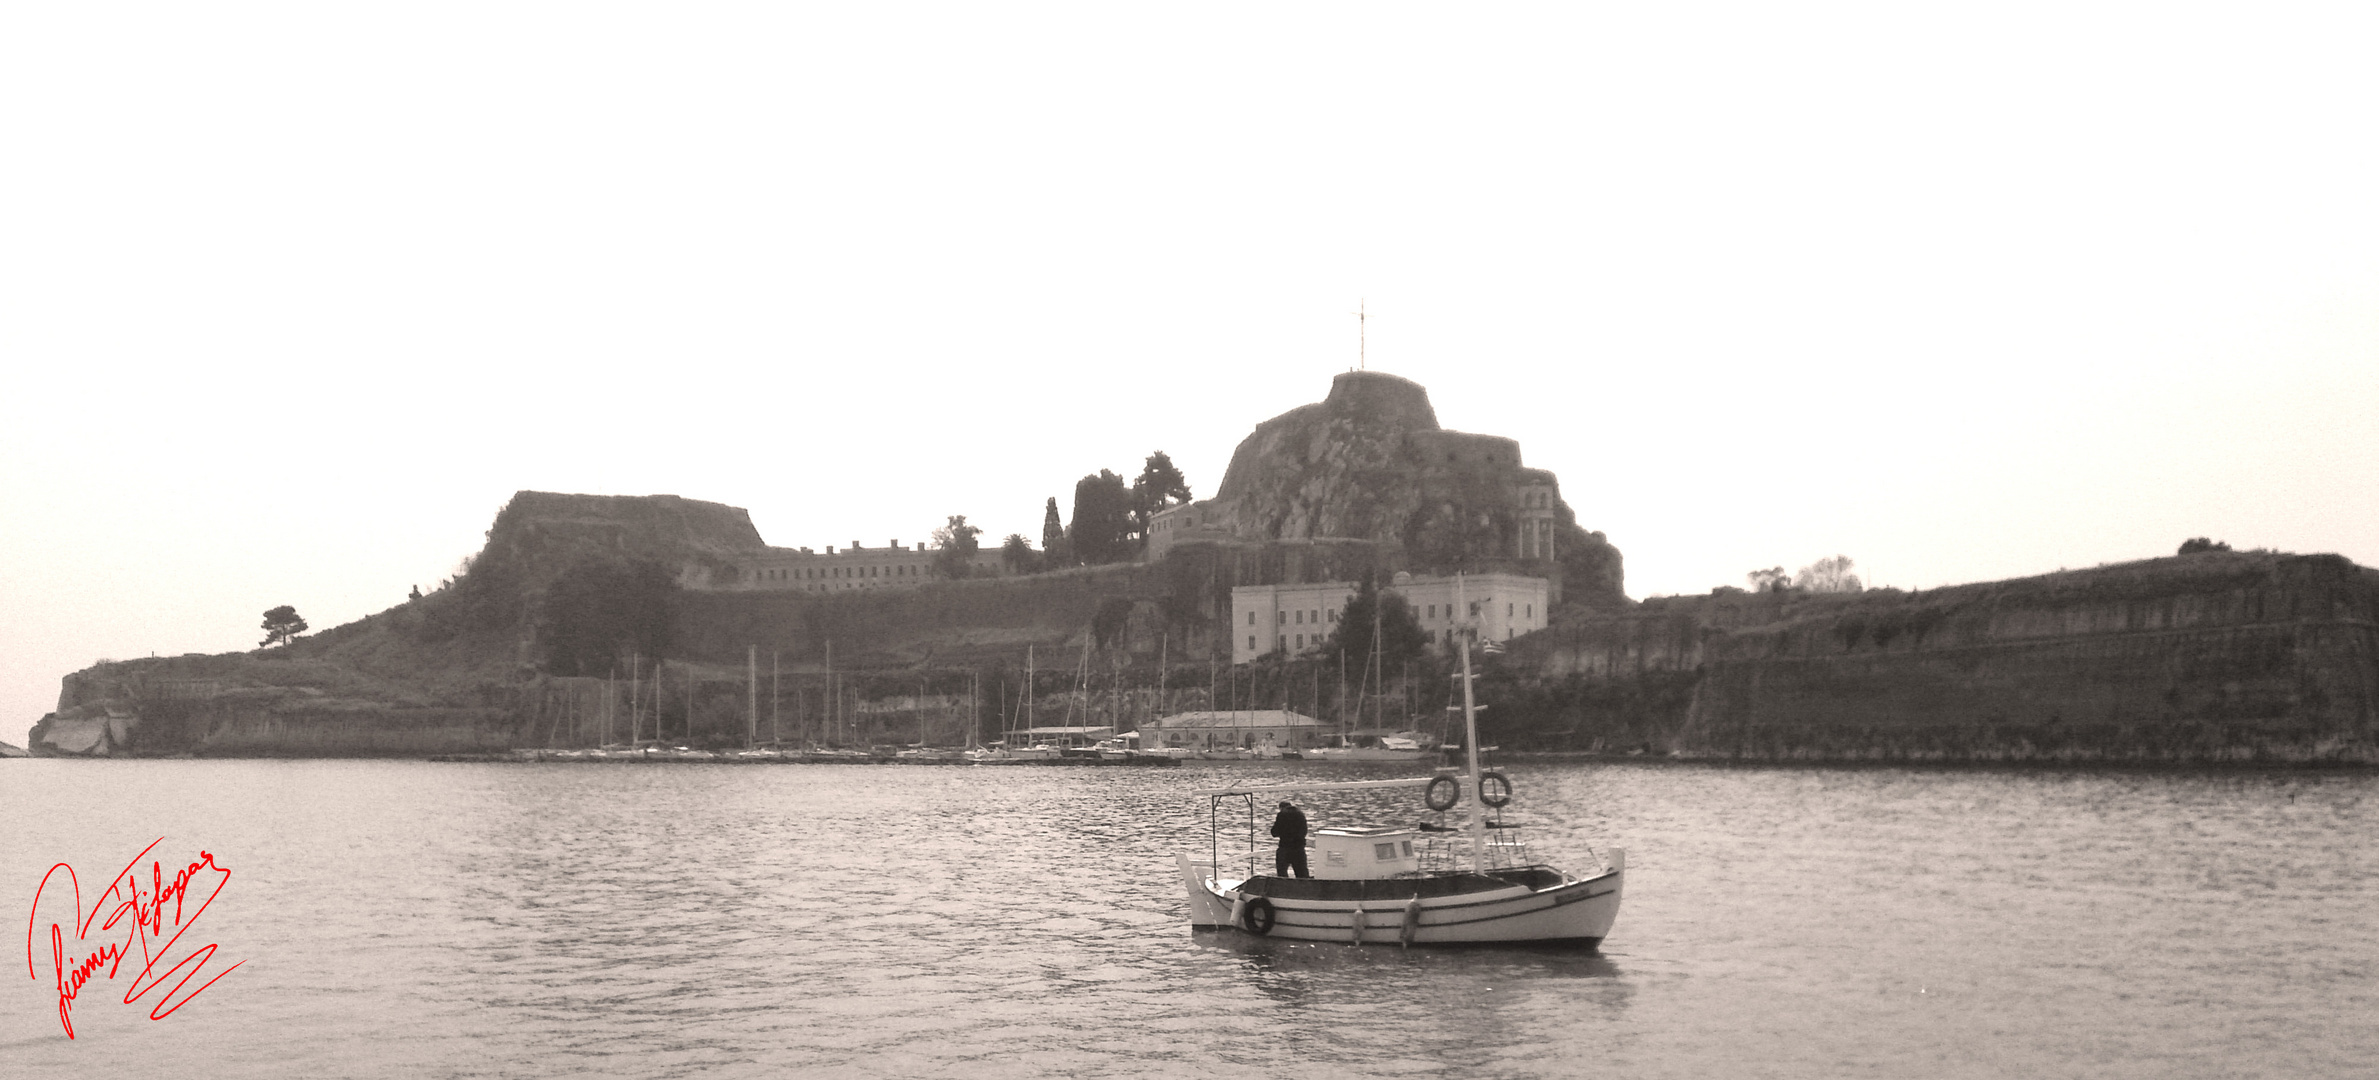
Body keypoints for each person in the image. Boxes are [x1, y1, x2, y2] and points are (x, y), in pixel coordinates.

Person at [1270, 800, 1310, 878]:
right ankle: (1304, 888)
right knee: (1302, 875)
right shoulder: (1301, 814)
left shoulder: (1282, 814)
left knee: (1282, 873)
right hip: (1299, 848)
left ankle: (1284, 888)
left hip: (1285, 848)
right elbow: (1304, 831)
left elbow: (1274, 832)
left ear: (1281, 807)